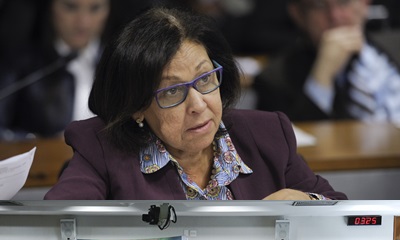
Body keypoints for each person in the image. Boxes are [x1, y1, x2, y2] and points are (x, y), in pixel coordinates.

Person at [44, 6, 347, 201]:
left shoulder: (268, 135)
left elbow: (341, 211)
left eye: (204, 79)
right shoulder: (102, 151)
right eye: (172, 92)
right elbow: (60, 224)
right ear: (136, 106)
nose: (199, 105)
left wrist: (307, 203)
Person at [254, 0, 400, 123]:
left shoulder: (394, 46)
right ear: (298, 14)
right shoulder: (275, 79)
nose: (335, 16)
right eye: (319, 5)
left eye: (344, 2)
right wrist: (322, 76)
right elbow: (292, 143)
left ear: (365, 3)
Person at [0, 0, 111, 140]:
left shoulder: (119, 62)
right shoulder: (21, 63)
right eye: (71, 7)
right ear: (50, 6)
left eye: (95, 9)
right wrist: (38, 142)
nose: (83, 23)